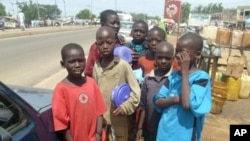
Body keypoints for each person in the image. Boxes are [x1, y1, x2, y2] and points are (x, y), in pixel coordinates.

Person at [153, 32, 212, 141]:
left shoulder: (201, 78)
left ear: (197, 54)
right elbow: (158, 100)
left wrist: (185, 72)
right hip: (165, 131)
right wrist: (175, 99)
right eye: (177, 51)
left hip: (184, 134)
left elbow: (187, 104)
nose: (179, 56)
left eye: (184, 53)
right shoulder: (174, 76)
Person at [93, 26, 141, 141]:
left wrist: (125, 107)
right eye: (101, 43)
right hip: (100, 121)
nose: (105, 46)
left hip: (118, 119)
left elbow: (136, 92)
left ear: (115, 43)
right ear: (96, 45)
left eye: (109, 42)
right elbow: (94, 92)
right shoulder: (96, 65)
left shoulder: (122, 65)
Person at [52, 43, 107, 141]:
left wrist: (98, 134)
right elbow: (62, 124)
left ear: (85, 61)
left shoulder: (91, 83)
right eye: (72, 62)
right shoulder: (61, 89)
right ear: (63, 64)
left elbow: (100, 112)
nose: (77, 65)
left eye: (80, 61)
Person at [136, 41, 175, 141]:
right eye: (160, 57)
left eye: (167, 58)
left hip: (167, 131)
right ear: (155, 58)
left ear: (173, 59)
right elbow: (143, 106)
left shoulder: (175, 79)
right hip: (150, 128)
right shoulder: (148, 79)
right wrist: (140, 128)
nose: (163, 61)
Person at [84, 9, 125, 77]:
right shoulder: (96, 48)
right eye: (113, 23)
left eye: (118, 23)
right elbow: (89, 72)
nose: (116, 26)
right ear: (103, 24)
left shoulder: (120, 42)